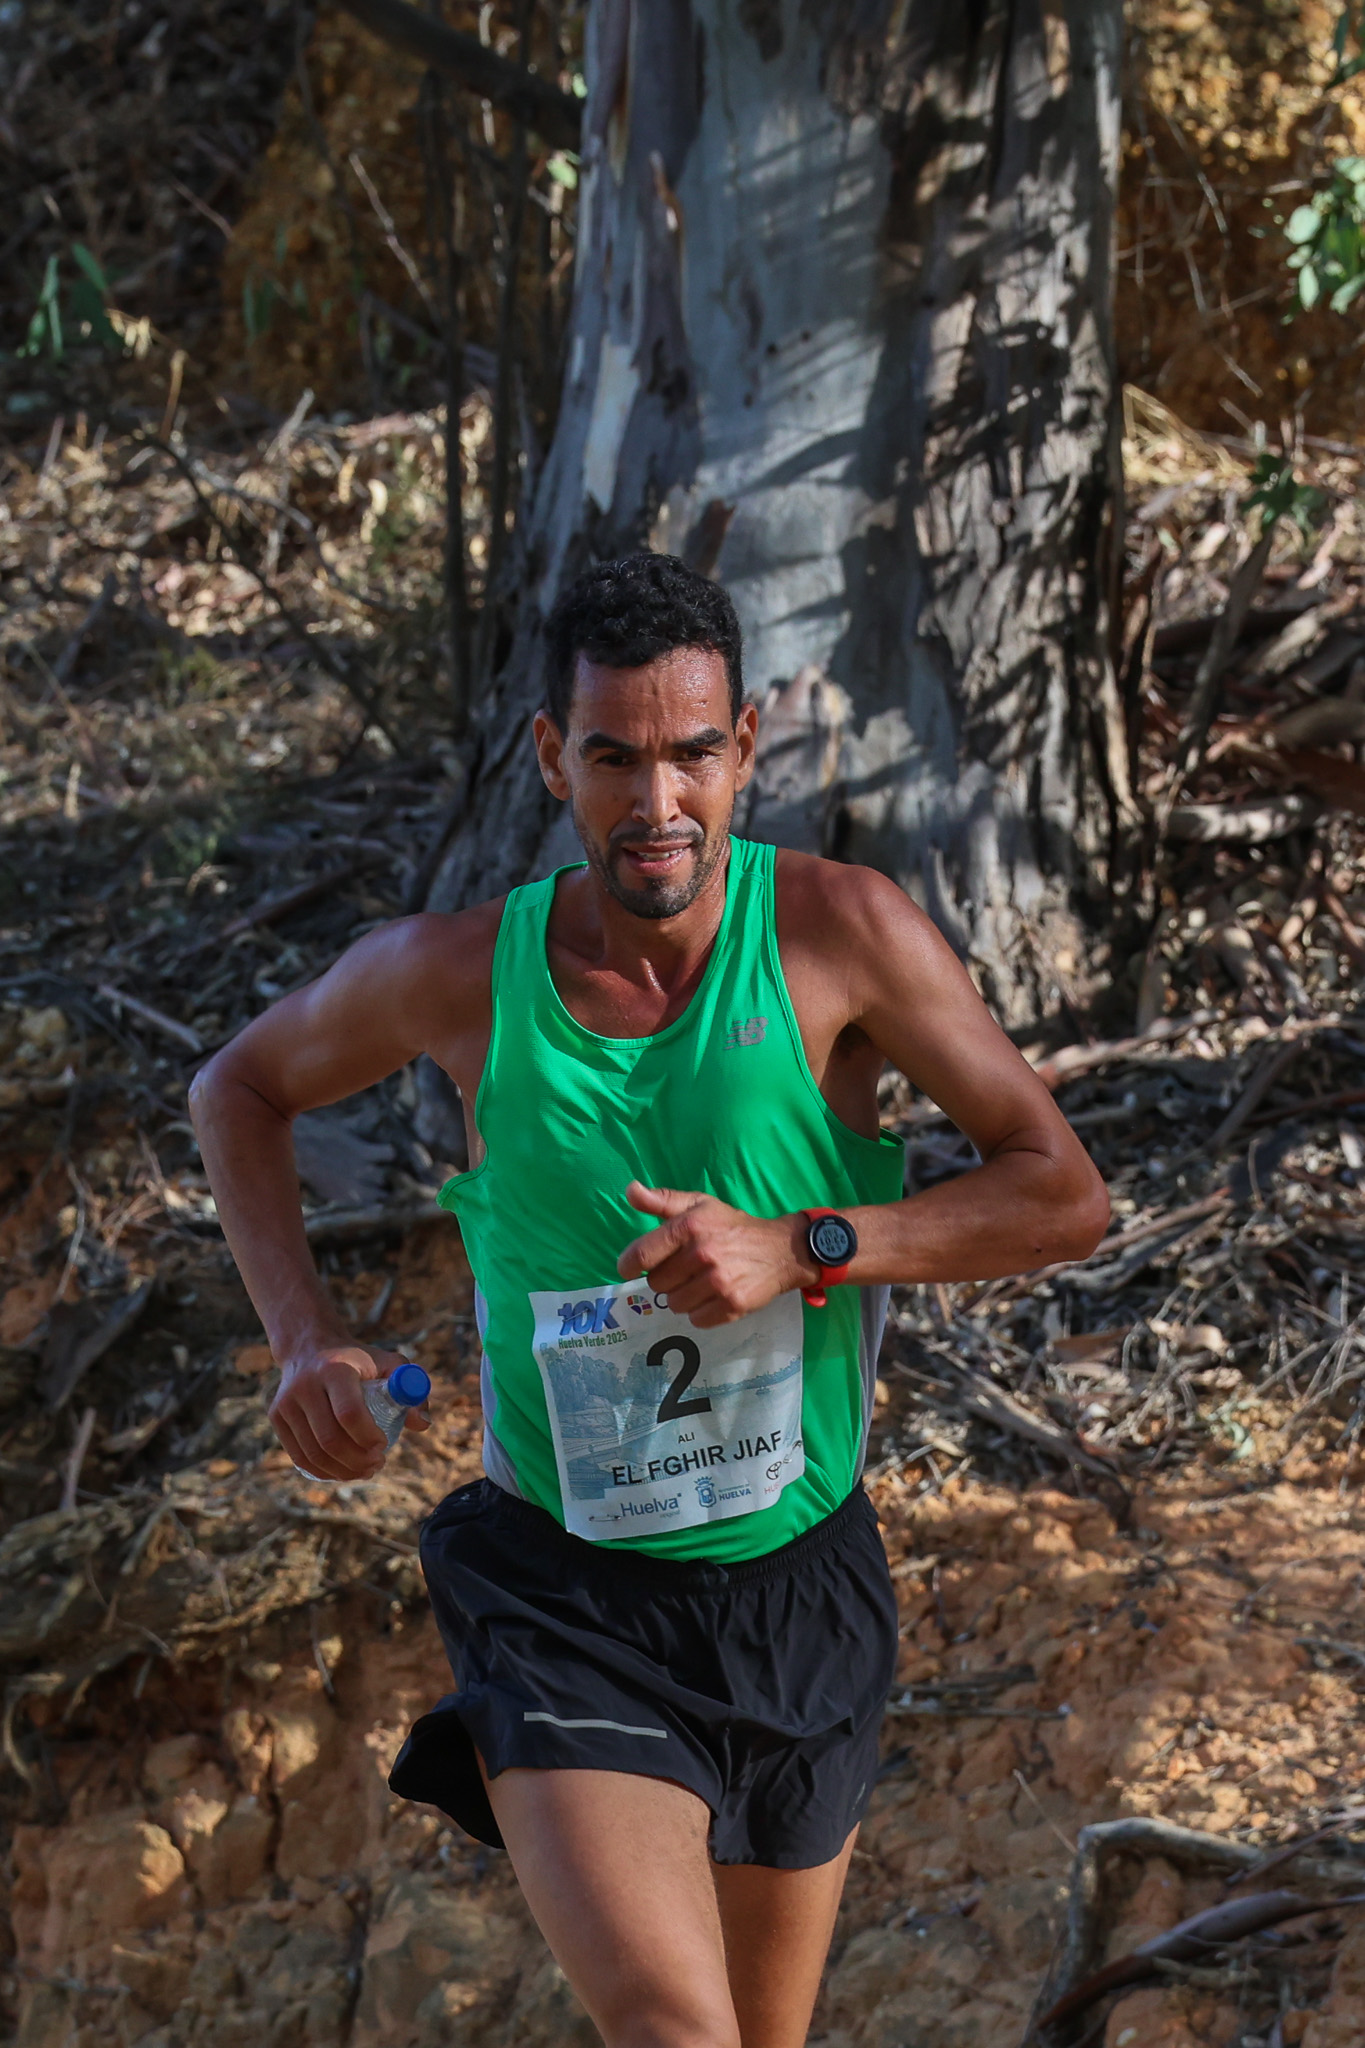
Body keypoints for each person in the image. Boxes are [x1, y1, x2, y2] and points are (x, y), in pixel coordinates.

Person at [191, 552, 1108, 2048]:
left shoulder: (838, 933)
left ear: (746, 745)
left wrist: (803, 1246)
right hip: (561, 1594)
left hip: (798, 1584)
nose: (657, 802)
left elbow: (1061, 1193)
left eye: (691, 754)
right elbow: (237, 1089)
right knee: (676, 2031)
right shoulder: (457, 974)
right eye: (613, 758)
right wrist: (303, 1339)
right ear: (553, 757)